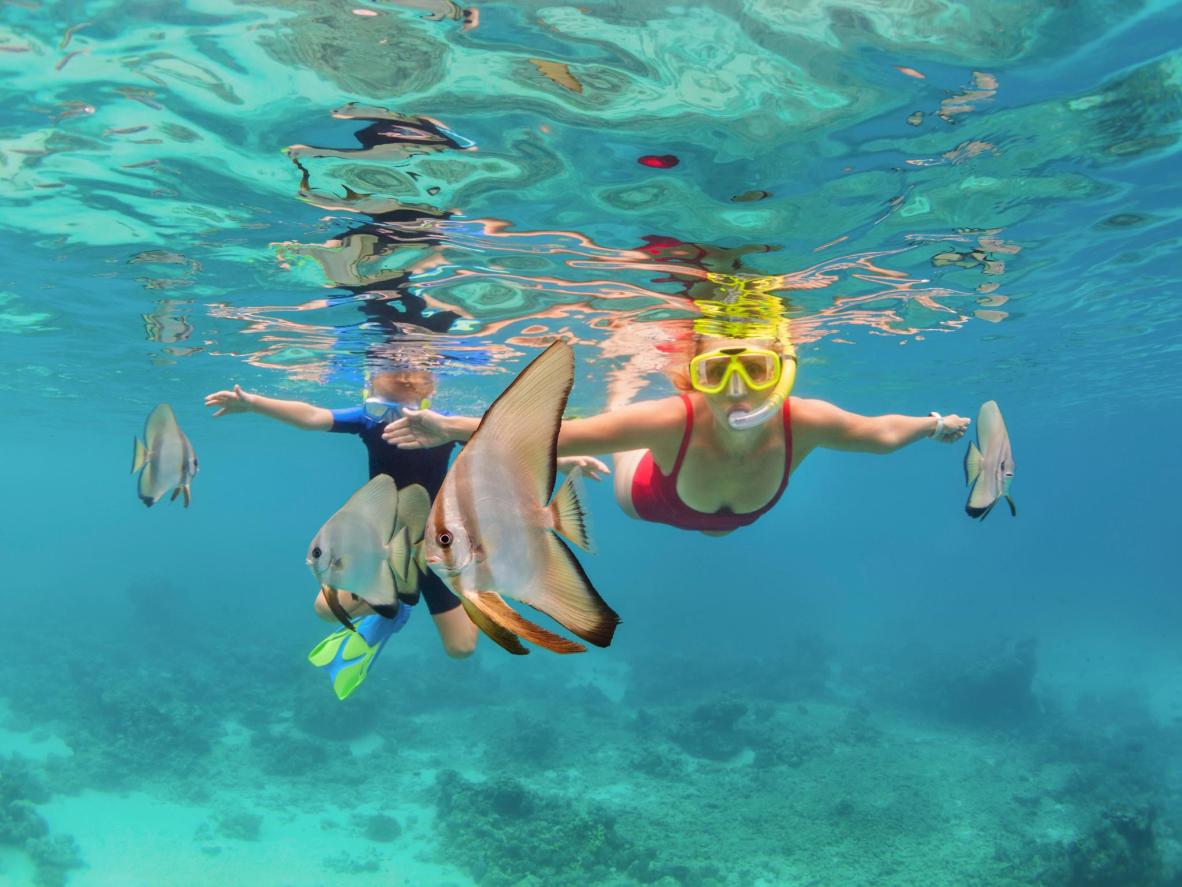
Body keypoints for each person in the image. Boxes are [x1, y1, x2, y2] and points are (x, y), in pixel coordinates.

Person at [381, 328, 970, 536]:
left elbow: (880, 434)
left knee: (604, 439)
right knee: (608, 434)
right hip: (650, 499)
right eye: (716, 372)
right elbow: (548, 434)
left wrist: (933, 425)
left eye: (755, 370)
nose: (737, 390)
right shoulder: (674, 419)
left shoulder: (806, 420)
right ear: (697, 378)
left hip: (729, 519)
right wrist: (451, 426)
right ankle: (617, 400)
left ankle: (608, 424)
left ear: (782, 372)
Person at [204, 370, 482, 656]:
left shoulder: (442, 425)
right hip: (379, 544)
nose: (394, 420)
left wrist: (450, 427)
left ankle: (470, 588)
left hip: (434, 543)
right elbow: (313, 416)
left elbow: (498, 430)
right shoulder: (367, 421)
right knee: (325, 609)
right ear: (367, 396)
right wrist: (253, 403)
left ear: (427, 402)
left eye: (407, 411)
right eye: (381, 409)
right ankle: (391, 604)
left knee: (460, 648)